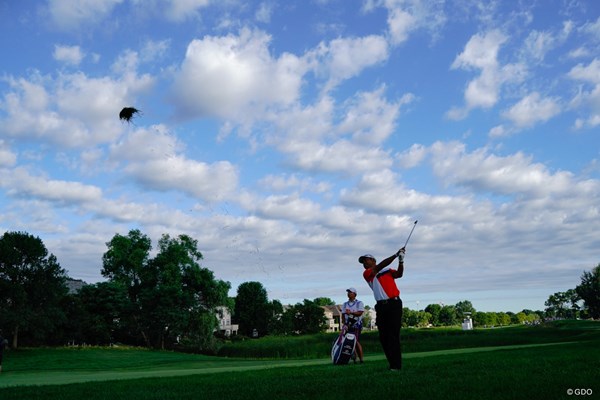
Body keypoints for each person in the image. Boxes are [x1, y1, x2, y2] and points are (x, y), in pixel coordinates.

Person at [359, 247, 405, 371]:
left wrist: (401, 261)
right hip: (381, 306)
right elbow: (378, 267)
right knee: (384, 337)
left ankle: (396, 365)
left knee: (393, 335)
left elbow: (399, 274)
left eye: (366, 260)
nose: (364, 263)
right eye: (363, 261)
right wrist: (396, 255)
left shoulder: (387, 270)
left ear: (373, 260)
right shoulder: (368, 273)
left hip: (394, 304)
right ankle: (392, 364)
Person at [341, 287, 365, 363]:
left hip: (357, 325)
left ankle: (361, 359)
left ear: (355, 294)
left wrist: (350, 312)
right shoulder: (345, 304)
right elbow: (343, 315)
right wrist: (344, 324)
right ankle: (355, 358)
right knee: (350, 342)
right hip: (348, 326)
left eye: (350, 292)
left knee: (356, 341)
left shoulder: (359, 303)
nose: (348, 294)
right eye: (348, 292)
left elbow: (360, 313)